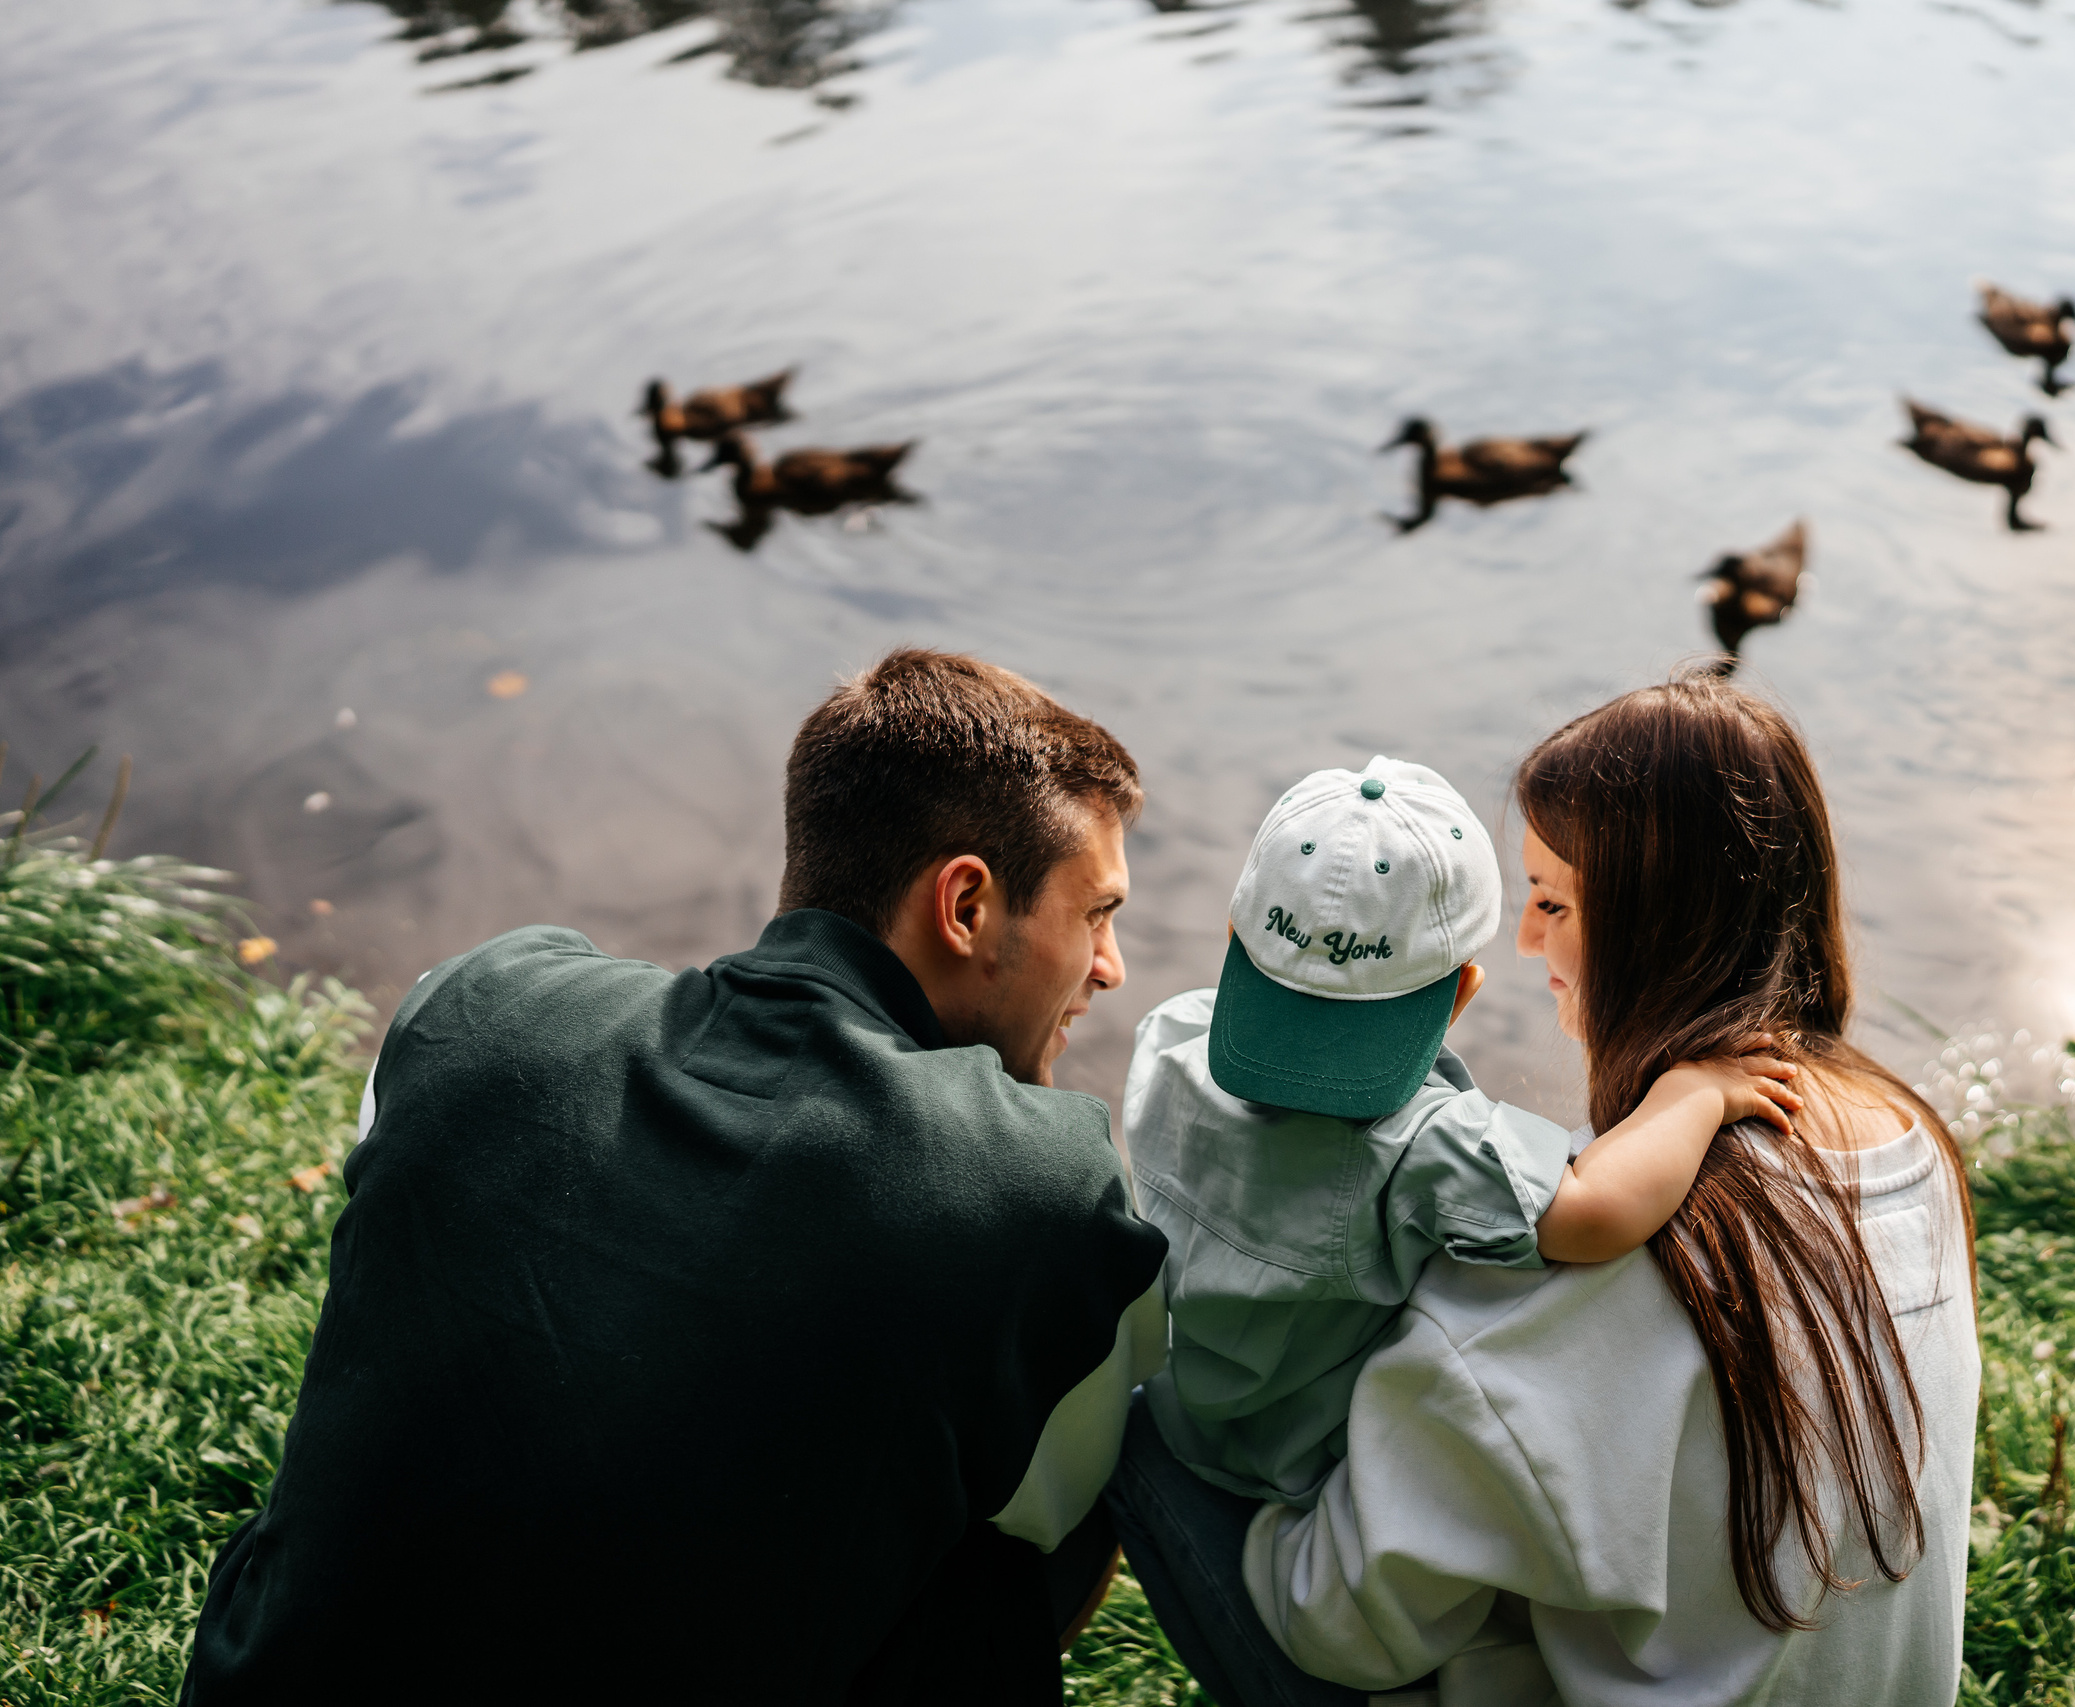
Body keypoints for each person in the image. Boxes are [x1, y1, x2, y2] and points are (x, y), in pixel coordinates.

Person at [182, 649, 1171, 1707]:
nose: (1108, 967)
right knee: (1026, 1549)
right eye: (1095, 913)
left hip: (267, 1684)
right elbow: (1044, 1510)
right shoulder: (1037, 1191)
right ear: (965, 905)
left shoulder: (473, 1005)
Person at [1109, 672, 1981, 1707]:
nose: (1526, 941)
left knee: (1129, 1421)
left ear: (1659, 925)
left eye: (1554, 901)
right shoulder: (1911, 1148)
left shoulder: (1570, 1280)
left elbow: (1342, 1629)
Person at [1121, 755, 1803, 1510]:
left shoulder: (1172, 1037)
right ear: (1462, 992)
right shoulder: (1422, 1143)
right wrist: (1697, 1090)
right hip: (1290, 1466)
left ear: (1237, 928)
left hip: (1183, 1411)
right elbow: (1595, 1209)